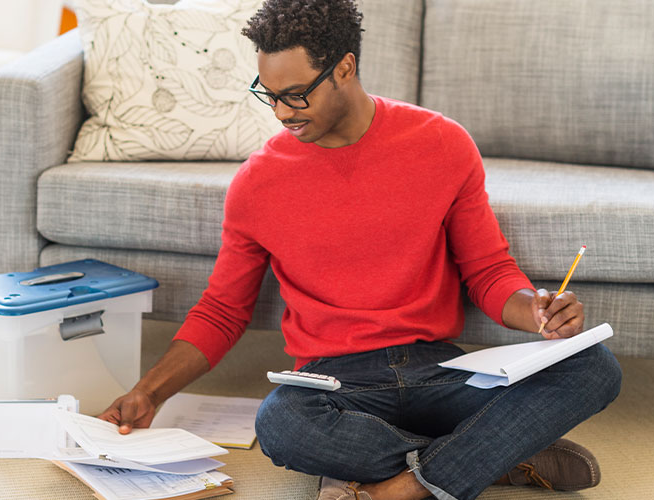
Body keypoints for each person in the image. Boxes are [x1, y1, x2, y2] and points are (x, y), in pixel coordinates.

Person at [99, 1, 622, 499]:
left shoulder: (441, 143)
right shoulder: (257, 183)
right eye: (269, 93)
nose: (281, 112)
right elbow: (222, 310)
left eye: (297, 94)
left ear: (345, 68)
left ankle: (409, 483)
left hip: (439, 371)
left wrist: (536, 311)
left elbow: (487, 271)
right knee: (281, 424)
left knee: (593, 366)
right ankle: (490, 456)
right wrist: (150, 391)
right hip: (333, 382)